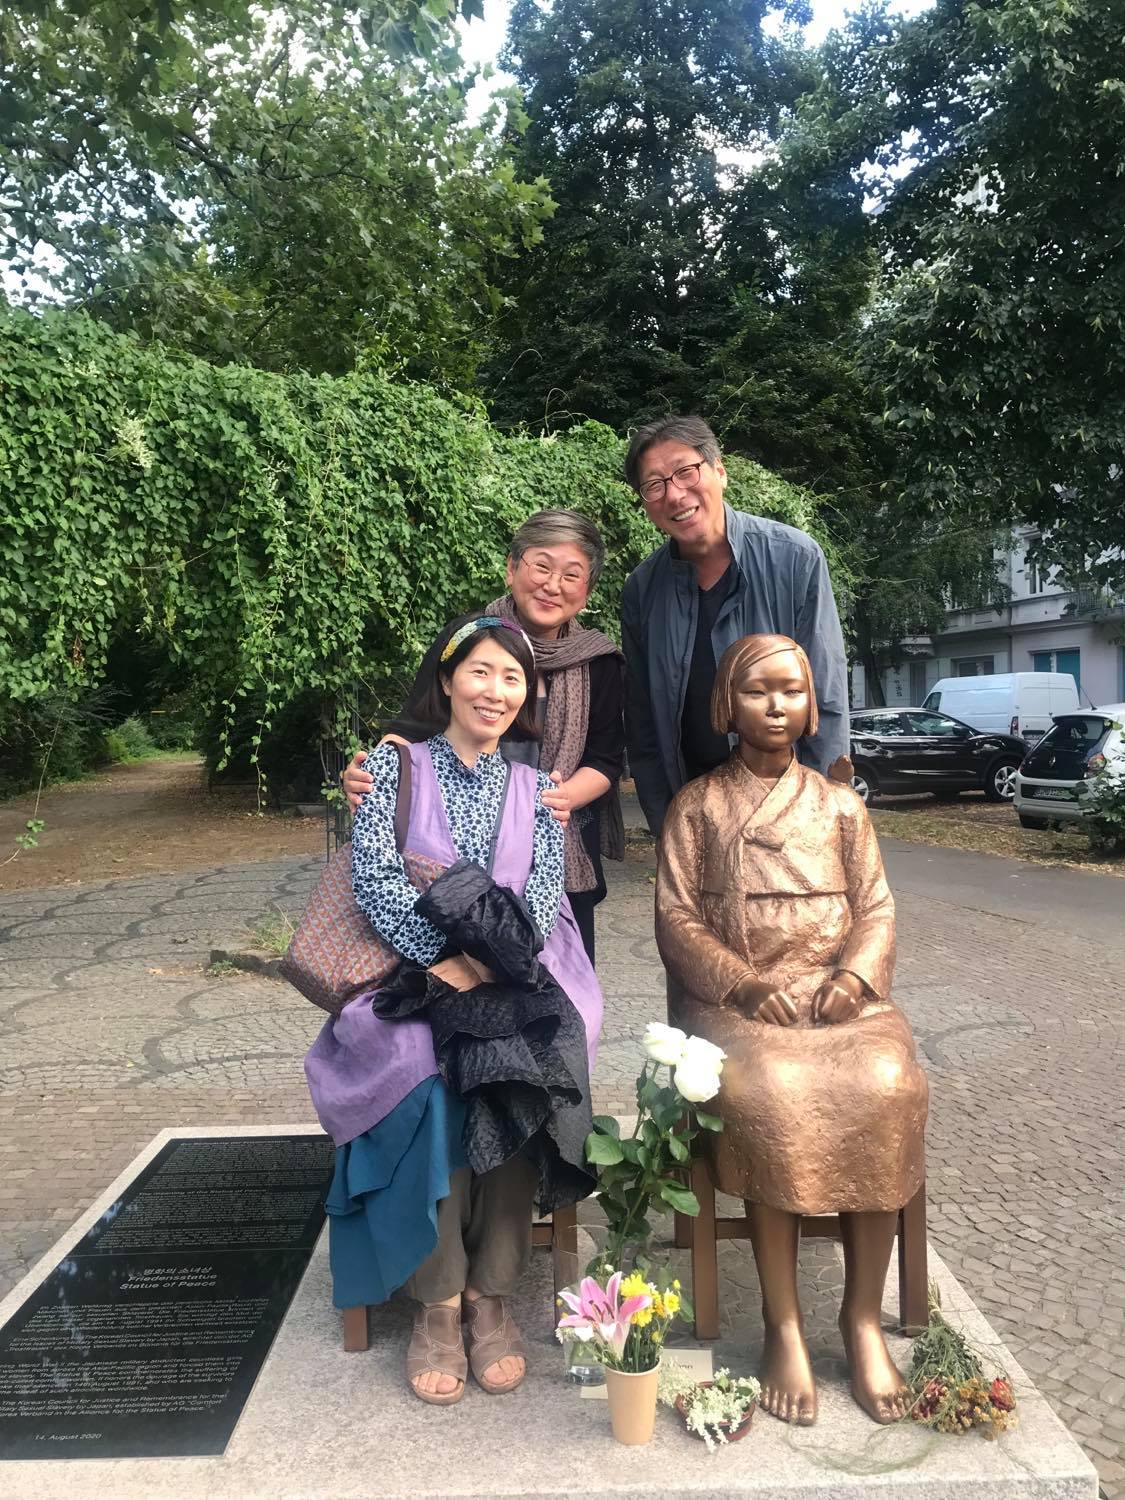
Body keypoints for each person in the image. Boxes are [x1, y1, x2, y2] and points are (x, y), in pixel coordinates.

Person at [305, 614, 604, 1406]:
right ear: (446, 680)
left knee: (518, 1063)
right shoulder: (394, 769)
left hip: (516, 963)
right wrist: (441, 962)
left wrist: (492, 964)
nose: (495, 691)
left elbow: (540, 896)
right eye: (480, 672)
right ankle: (437, 1301)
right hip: (403, 970)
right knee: (422, 1075)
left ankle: (491, 1293)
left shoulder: (535, 789)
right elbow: (375, 880)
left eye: (513, 679)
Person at [655, 634, 928, 1427]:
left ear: (812, 707)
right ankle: (782, 1326)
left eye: (790, 691)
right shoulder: (698, 805)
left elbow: (875, 908)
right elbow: (674, 916)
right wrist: (741, 981)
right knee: (773, 1092)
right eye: (756, 691)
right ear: (724, 705)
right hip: (740, 1002)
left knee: (885, 1085)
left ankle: (862, 1318)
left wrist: (853, 977)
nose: (775, 706)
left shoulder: (841, 806)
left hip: (841, 1001)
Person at [342, 510, 625, 962]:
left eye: (572, 575)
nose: (553, 585)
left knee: (553, 993)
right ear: (512, 567)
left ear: (587, 590)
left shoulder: (601, 661)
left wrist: (545, 810)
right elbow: (413, 723)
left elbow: (607, 759)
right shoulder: (467, 637)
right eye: (541, 566)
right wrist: (371, 778)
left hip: (553, 851)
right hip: (443, 852)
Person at [621, 415, 852, 835]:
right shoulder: (642, 589)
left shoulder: (794, 559)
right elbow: (643, 726)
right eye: (654, 485)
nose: (674, 494)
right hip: (694, 815)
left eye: (685, 472)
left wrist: (820, 815)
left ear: (719, 471)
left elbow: (827, 697)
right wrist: (665, 824)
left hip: (789, 812)